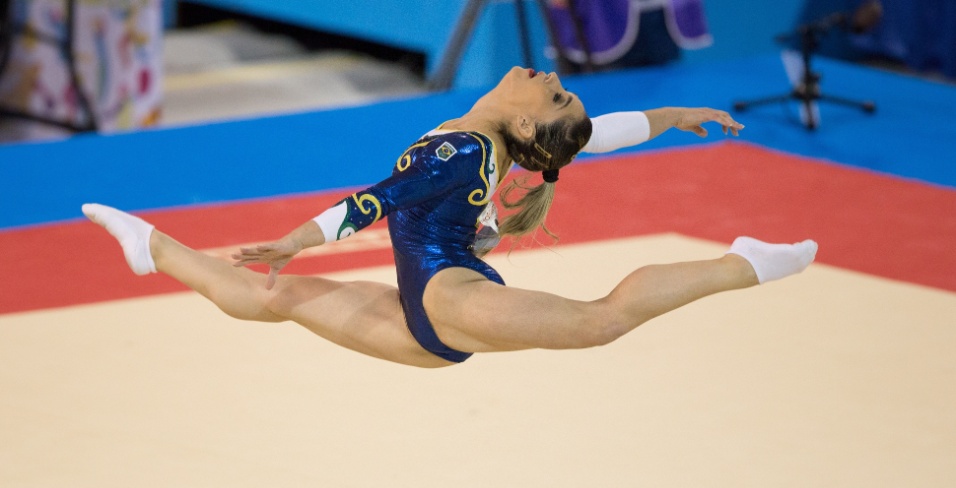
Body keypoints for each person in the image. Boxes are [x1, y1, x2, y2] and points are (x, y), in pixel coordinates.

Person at [83, 67, 817, 369]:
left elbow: (372, 203)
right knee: (269, 298)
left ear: (530, 130)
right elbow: (605, 130)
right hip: (423, 310)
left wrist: (297, 240)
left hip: (442, 301)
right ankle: (152, 247)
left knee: (601, 322)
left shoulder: (465, 152)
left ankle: (740, 263)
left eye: (556, 96)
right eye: (564, 91)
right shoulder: (496, 141)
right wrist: (676, 113)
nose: (553, 79)